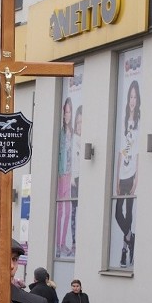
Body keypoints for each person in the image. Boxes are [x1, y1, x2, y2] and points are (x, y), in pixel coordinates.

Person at [115, 80, 140, 267]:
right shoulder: (124, 122)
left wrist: (136, 179)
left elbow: (137, 152)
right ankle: (131, 238)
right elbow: (120, 152)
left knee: (129, 213)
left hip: (131, 175)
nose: (132, 100)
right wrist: (116, 177)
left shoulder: (139, 122)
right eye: (130, 96)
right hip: (122, 175)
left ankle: (124, 251)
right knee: (117, 213)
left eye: (134, 96)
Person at [56, 97, 74, 258]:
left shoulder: (72, 132)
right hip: (62, 175)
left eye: (69, 111)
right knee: (61, 209)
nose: (67, 115)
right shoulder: (61, 132)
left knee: (67, 210)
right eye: (65, 112)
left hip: (69, 174)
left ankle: (62, 243)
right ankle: (59, 244)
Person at [70, 105, 83, 254]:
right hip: (75, 179)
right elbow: (71, 160)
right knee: (74, 211)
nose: (80, 125)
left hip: (82, 178)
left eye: (82, 122)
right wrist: (72, 177)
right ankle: (73, 241)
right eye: (78, 122)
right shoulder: (74, 139)